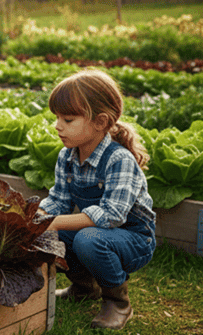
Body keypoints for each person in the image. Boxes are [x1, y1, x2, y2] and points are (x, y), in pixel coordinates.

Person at [40, 69, 155, 331]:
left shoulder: (119, 159)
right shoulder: (67, 156)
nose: (58, 126)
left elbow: (113, 215)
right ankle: (83, 288)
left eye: (68, 119)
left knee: (87, 239)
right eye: (57, 118)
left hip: (134, 238)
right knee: (55, 234)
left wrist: (55, 222)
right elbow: (58, 201)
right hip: (98, 232)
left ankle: (117, 302)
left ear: (100, 122)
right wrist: (38, 218)